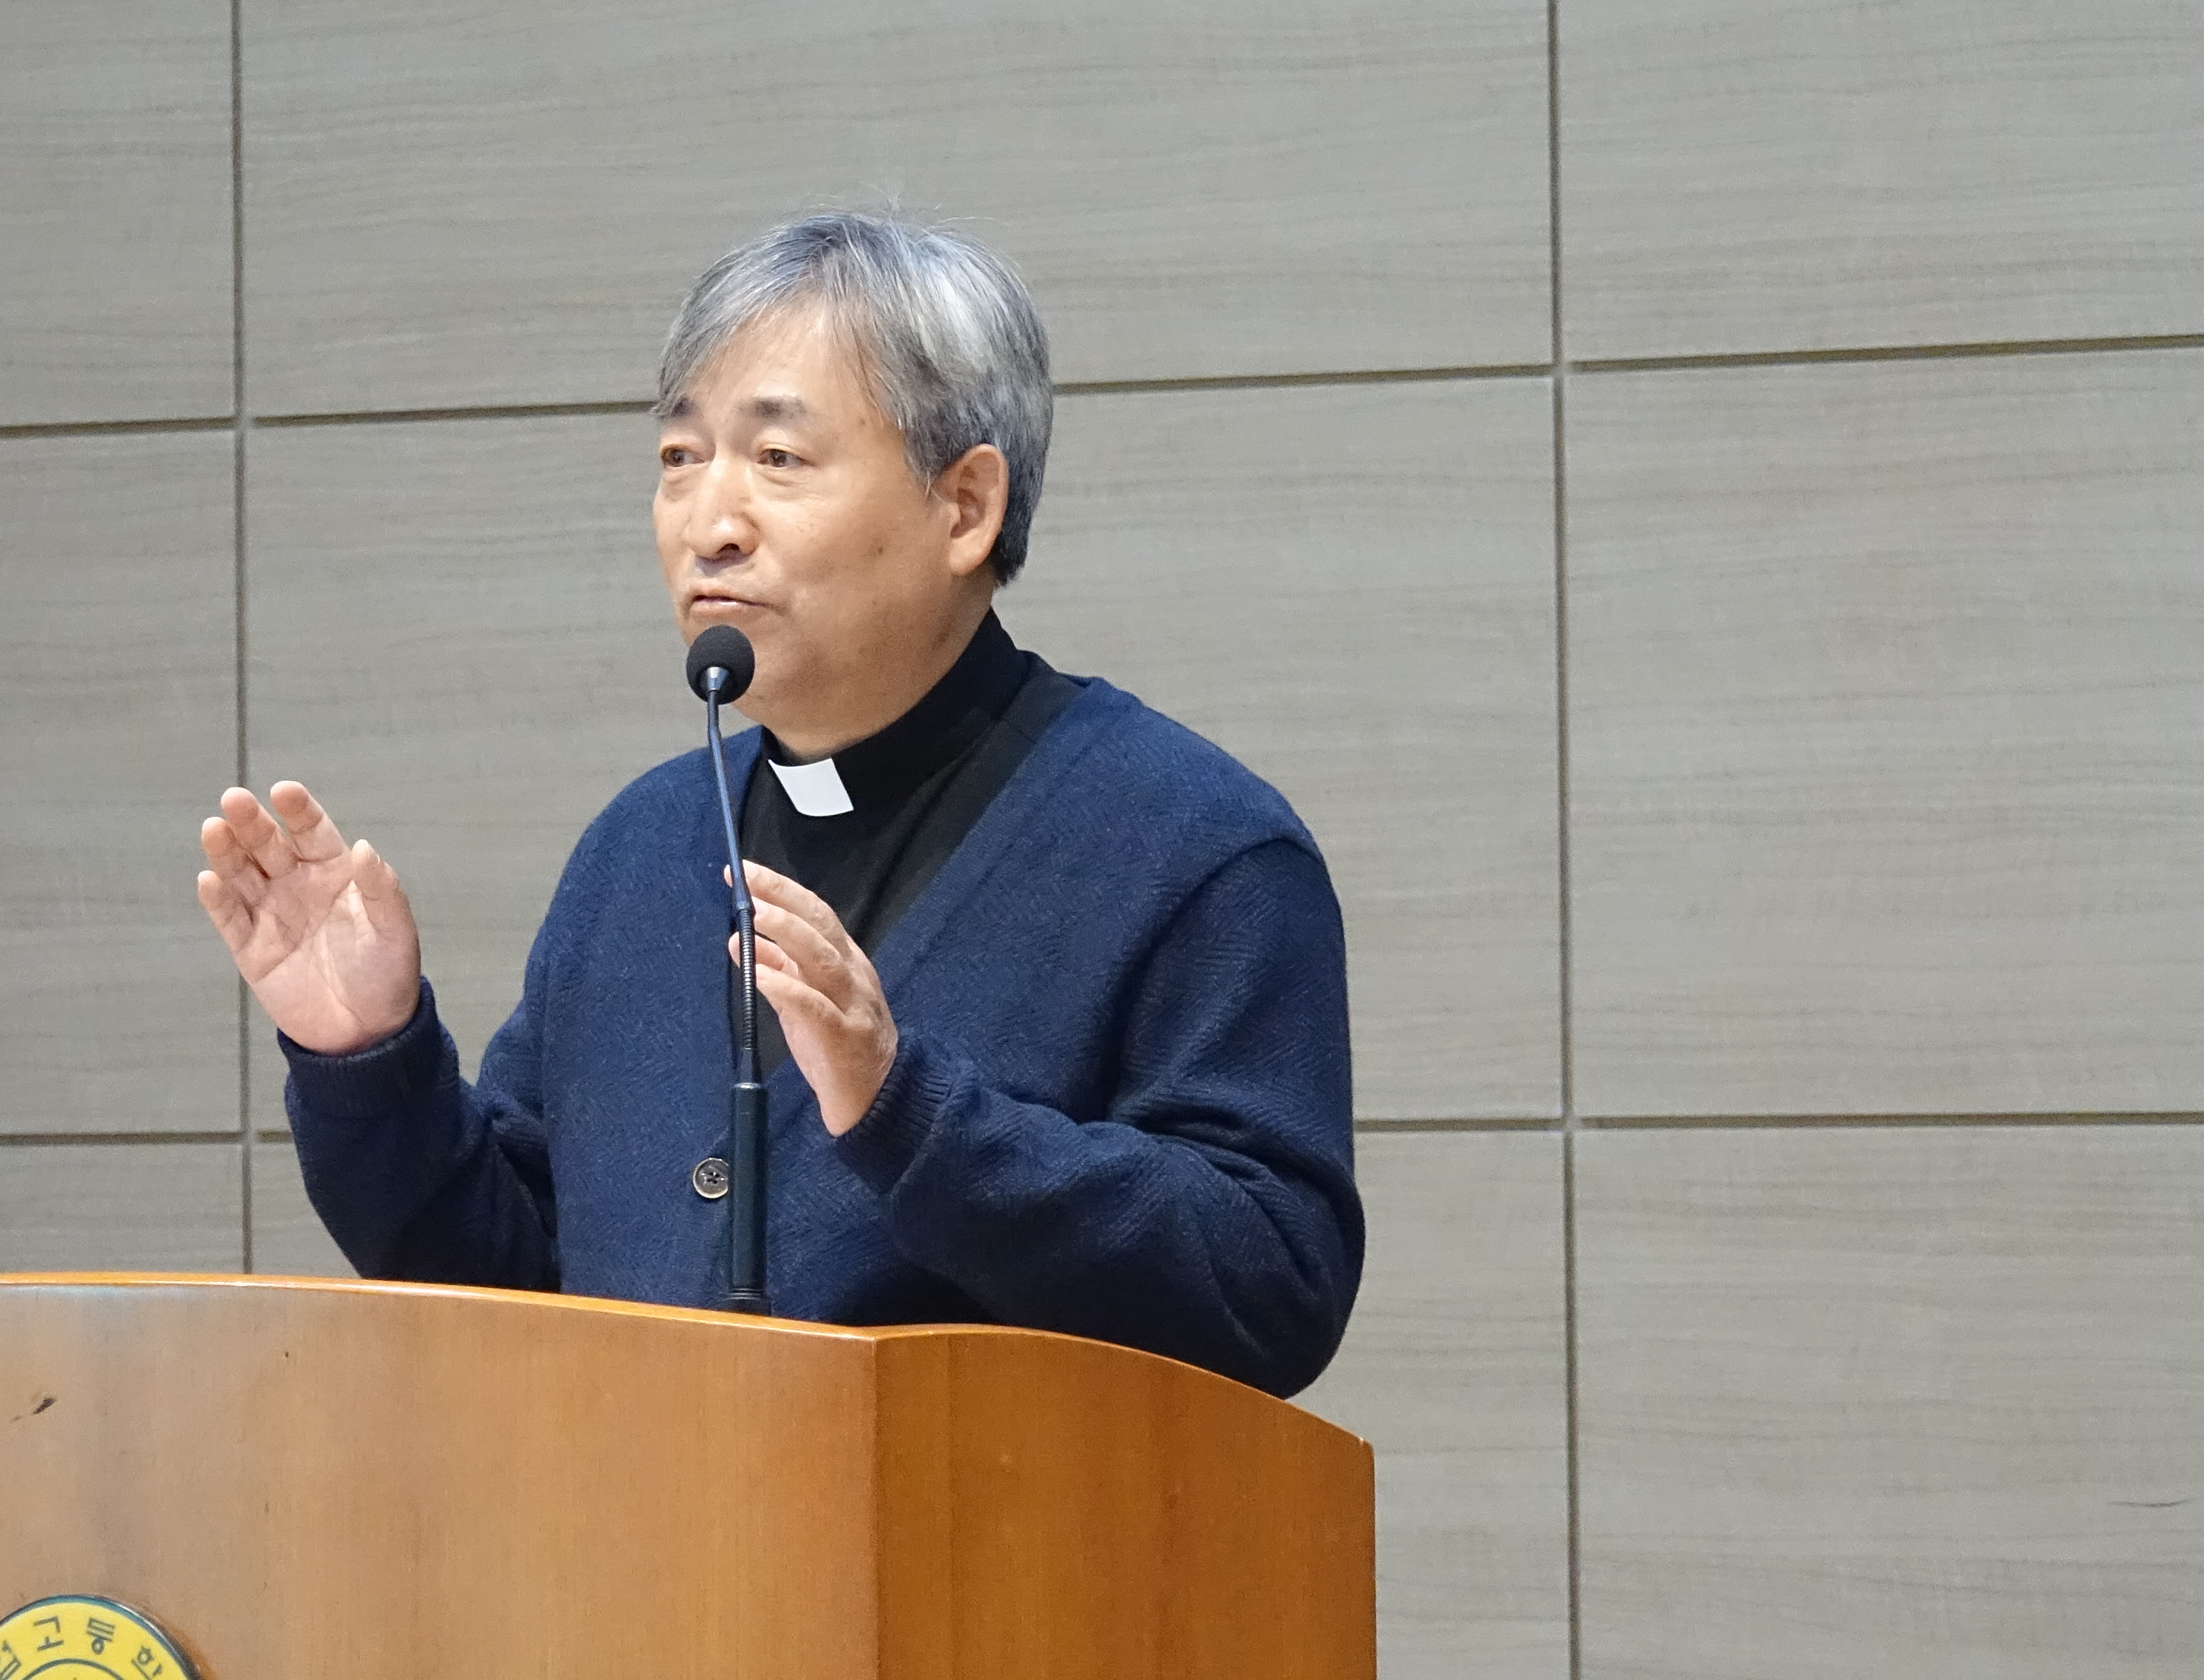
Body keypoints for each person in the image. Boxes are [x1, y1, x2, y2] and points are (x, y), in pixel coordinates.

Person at [197, 213, 1361, 1397]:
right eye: (680, 458)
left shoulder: (1193, 844)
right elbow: (517, 1284)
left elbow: (1272, 1283)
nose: (710, 523)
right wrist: (371, 1061)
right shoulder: (642, 848)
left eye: (778, 459)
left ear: (965, 507)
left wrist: (909, 1112)